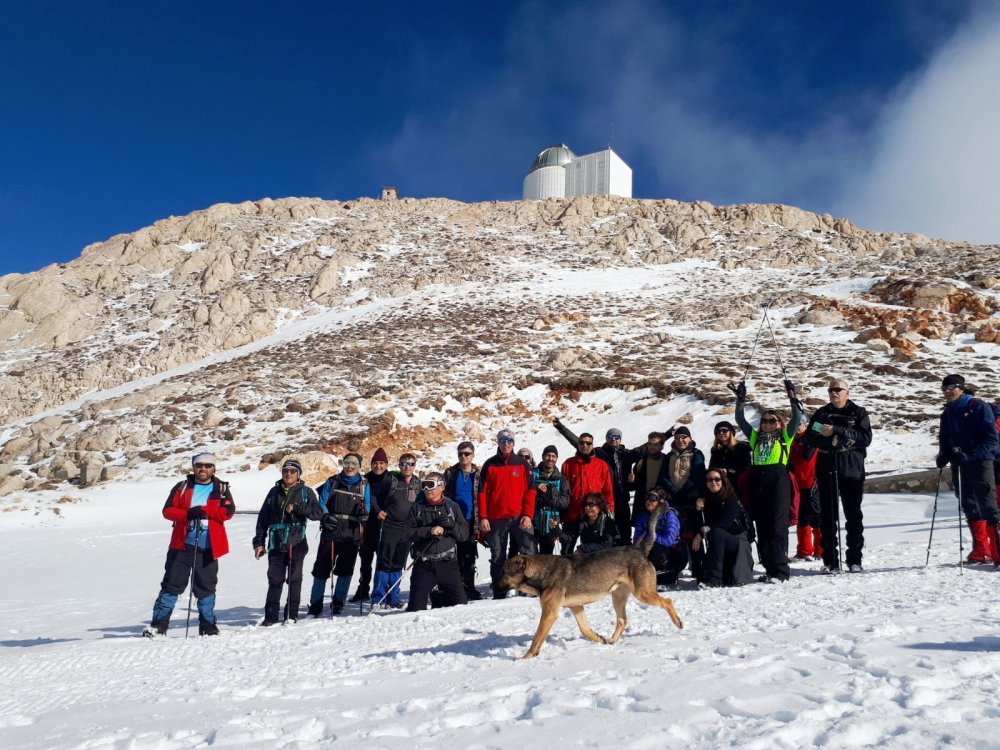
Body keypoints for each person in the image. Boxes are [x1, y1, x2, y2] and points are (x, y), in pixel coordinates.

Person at [145, 452, 235, 637]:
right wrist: (187, 515)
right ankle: (158, 626)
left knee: (206, 587)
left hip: (210, 547)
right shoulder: (182, 487)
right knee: (171, 585)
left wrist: (203, 510)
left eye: (208, 465)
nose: (203, 468)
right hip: (182, 546)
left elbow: (227, 512)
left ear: (213, 468)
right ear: (193, 467)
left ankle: (208, 625)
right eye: (199, 465)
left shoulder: (222, 488)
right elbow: (168, 511)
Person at [734, 380, 802, 583]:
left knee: (777, 525)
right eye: (764, 420)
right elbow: (740, 419)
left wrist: (792, 396)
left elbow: (797, 417)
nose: (768, 423)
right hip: (758, 480)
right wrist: (740, 400)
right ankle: (769, 567)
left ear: (779, 423)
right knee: (762, 525)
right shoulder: (756, 438)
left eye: (772, 421)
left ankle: (781, 570)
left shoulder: (785, 437)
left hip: (778, 479)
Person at [804, 378, 872, 574]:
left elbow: (865, 438)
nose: (834, 393)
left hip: (852, 469)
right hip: (827, 467)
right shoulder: (822, 413)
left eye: (838, 390)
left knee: (853, 515)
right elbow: (811, 434)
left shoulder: (858, 412)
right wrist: (829, 441)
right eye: (831, 390)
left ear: (847, 393)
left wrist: (837, 431)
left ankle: (855, 560)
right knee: (828, 516)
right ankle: (830, 561)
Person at [935, 374, 1000, 564]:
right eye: (943, 389)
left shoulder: (978, 406)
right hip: (959, 462)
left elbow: (991, 439)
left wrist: (971, 455)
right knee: (968, 504)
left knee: (988, 505)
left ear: (961, 387)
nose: (946, 392)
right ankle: (981, 550)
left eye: (950, 387)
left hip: (981, 462)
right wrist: (943, 455)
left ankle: (997, 553)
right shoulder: (948, 412)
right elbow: (945, 438)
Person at [252, 459, 322, 625]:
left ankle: (291, 614)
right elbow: (263, 519)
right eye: (285, 471)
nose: (288, 474)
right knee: (274, 579)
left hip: (297, 542)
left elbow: (318, 513)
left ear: (298, 474)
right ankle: (270, 616)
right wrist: (259, 543)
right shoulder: (273, 492)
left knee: (294, 579)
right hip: (276, 543)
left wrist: (298, 508)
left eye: (292, 471)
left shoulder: (306, 492)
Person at [555, 419, 639, 546]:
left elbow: (647, 449)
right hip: (578, 510)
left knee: (613, 539)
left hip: (606, 506)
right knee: (572, 547)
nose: (614, 439)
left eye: (617, 437)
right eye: (611, 436)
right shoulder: (598, 454)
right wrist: (562, 429)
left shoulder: (625, 454)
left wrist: (610, 508)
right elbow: (562, 489)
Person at [307, 453, 370, 616]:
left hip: (352, 532)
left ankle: (338, 602)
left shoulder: (364, 484)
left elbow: (367, 504)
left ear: (359, 467)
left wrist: (365, 514)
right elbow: (322, 502)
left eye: (354, 464)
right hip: (331, 530)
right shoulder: (332, 481)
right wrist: (326, 516)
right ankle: (315, 604)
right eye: (347, 462)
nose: (350, 467)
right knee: (321, 568)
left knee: (345, 569)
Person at [478, 428, 535, 599]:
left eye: (510, 441)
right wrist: (483, 517)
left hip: (520, 517)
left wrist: (528, 515)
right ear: (498, 442)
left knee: (527, 553)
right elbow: (481, 493)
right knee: (498, 556)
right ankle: (499, 591)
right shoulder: (490, 464)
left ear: (514, 443)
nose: (506, 444)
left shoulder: (522, 463)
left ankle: (528, 589)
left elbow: (530, 491)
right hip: (496, 518)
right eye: (503, 440)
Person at [405, 472, 470, 610]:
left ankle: (439, 598)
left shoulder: (452, 507)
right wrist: (429, 531)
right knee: (415, 608)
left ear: (442, 487)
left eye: (431, 485)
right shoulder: (417, 508)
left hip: (447, 563)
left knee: (461, 605)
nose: (427, 489)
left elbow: (464, 535)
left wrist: (450, 525)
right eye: (424, 485)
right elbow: (407, 533)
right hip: (424, 564)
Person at [371, 453, 422, 609]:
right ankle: (378, 598)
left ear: (415, 466)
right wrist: (378, 511)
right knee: (384, 563)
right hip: (390, 527)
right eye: (404, 464)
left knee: (399, 563)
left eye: (411, 464)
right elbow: (373, 495)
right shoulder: (391, 481)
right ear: (399, 465)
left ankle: (393, 597)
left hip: (407, 529)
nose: (407, 467)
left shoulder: (418, 483)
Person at [693, 470, 755, 586]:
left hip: (737, 542)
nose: (713, 482)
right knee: (700, 578)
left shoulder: (731, 498)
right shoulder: (707, 499)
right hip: (720, 543)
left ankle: (715, 580)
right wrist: (698, 509)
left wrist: (701, 533)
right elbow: (703, 523)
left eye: (717, 479)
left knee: (716, 532)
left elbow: (725, 523)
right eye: (709, 480)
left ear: (723, 481)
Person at [560, 431, 614, 554]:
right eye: (582, 443)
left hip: (593, 516)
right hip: (572, 514)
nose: (585, 445)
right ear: (578, 444)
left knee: (590, 552)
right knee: (567, 550)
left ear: (592, 445)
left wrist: (609, 508)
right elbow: (562, 491)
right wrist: (561, 513)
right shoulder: (568, 464)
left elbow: (607, 490)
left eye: (588, 443)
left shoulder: (601, 465)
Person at [350, 447, 389, 603]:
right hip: (367, 525)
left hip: (385, 524)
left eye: (381, 463)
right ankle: (363, 589)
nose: (378, 466)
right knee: (365, 560)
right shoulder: (364, 479)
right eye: (375, 463)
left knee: (382, 561)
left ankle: (380, 590)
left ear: (386, 464)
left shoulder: (392, 479)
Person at [443, 441, 481, 599]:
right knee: (454, 554)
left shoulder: (478, 474)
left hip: (472, 519)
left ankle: (469, 587)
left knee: (469, 554)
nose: (463, 456)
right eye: (460, 454)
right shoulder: (451, 473)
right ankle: (455, 589)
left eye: (466, 453)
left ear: (473, 455)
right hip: (454, 520)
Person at [632, 487, 687, 587]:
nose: (648, 501)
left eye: (652, 498)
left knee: (653, 546)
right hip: (649, 554)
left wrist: (650, 535)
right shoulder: (642, 517)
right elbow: (637, 540)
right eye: (647, 497)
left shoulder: (669, 515)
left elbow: (669, 540)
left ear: (661, 501)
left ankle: (666, 574)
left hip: (672, 553)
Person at [661, 426, 707, 535]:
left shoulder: (696, 454)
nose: (680, 440)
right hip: (674, 500)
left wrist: (684, 491)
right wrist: (672, 490)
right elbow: (663, 476)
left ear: (690, 438)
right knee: (676, 534)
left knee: (694, 535)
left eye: (683, 437)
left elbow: (697, 475)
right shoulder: (669, 456)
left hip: (692, 500)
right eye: (677, 437)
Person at [789, 418, 821, 561]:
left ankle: (821, 550)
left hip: (811, 484)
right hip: (797, 485)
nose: (796, 427)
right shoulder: (792, 440)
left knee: (816, 518)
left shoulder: (812, 437)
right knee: (801, 519)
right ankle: (804, 551)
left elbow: (822, 425)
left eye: (799, 424)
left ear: (806, 424)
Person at [529, 445, 571, 554]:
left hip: (551, 522)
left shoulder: (561, 478)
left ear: (556, 458)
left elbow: (565, 501)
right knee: (529, 555)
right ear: (543, 457)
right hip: (532, 520)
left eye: (553, 456)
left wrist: (550, 497)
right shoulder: (532, 474)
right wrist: (535, 487)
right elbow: (523, 489)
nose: (550, 458)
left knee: (547, 557)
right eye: (548, 455)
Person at [627, 431, 672, 530]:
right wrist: (631, 481)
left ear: (662, 446)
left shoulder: (667, 460)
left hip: (660, 503)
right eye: (650, 444)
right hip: (642, 503)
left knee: (658, 532)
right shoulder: (641, 461)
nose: (652, 447)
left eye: (656, 444)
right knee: (641, 533)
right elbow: (633, 487)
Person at [708, 421, 752, 492]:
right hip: (721, 487)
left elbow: (746, 469)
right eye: (718, 431)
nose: (721, 433)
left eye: (724, 430)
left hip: (739, 486)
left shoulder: (742, 447)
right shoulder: (715, 450)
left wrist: (729, 471)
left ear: (731, 432)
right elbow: (711, 467)